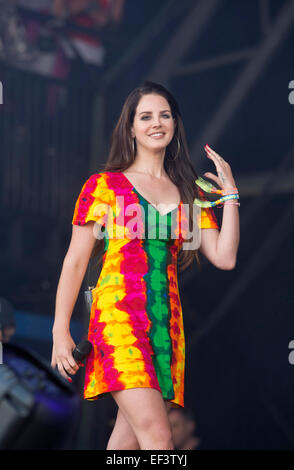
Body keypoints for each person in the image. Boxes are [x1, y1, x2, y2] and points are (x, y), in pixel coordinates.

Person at [51, 80, 240, 450]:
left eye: (165, 115)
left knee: (126, 446)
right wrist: (60, 330)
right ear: (132, 128)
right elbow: (75, 260)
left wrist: (230, 195)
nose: (157, 123)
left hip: (164, 324)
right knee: (159, 437)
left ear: (174, 125)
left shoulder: (191, 192)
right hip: (119, 319)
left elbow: (224, 256)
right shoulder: (105, 186)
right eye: (146, 116)